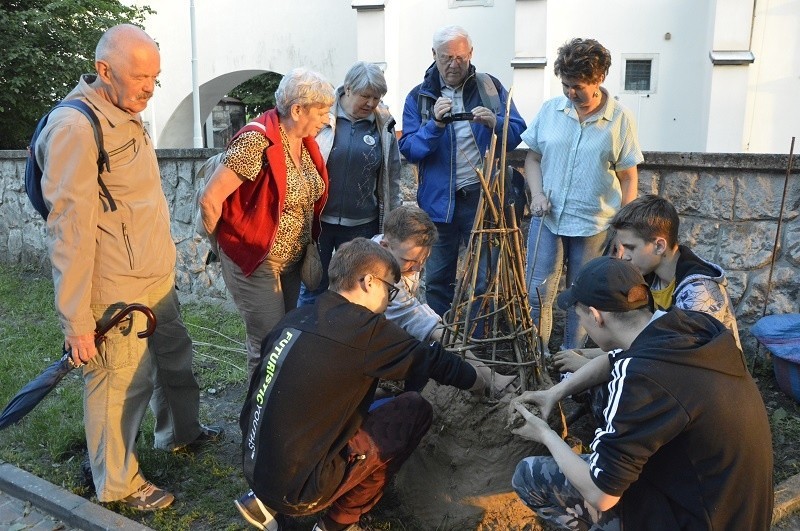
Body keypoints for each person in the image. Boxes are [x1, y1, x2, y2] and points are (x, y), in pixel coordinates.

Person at [35, 24, 220, 511]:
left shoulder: (124, 110)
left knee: (175, 361)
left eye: (155, 78)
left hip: (154, 280)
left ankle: (180, 433)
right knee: (120, 384)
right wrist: (76, 321)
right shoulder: (76, 128)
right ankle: (116, 482)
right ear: (104, 71)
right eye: (141, 77)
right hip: (114, 289)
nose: (149, 88)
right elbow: (68, 231)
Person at [234, 238, 487, 531]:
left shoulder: (296, 318)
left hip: (256, 466)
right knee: (413, 410)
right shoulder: (365, 330)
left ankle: (265, 501)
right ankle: (337, 523)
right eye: (390, 290)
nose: (388, 301)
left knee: (376, 402)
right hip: (300, 490)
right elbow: (433, 361)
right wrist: (481, 382)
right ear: (369, 281)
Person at [508, 256, 773, 530]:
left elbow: (601, 495)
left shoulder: (642, 378)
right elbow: (614, 358)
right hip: (736, 510)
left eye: (580, 316)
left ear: (596, 316)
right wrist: (556, 392)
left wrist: (545, 433)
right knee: (602, 395)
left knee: (529, 476)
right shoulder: (689, 326)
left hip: (694, 519)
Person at [199, 68, 335, 376]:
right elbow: (209, 200)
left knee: (286, 340)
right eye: (322, 112)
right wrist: (222, 247)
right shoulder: (255, 141)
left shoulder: (303, 141)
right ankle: (258, 421)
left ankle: (279, 409)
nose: (327, 120)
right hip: (256, 261)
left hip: (290, 262)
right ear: (298, 109)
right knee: (267, 346)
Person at [522, 38, 643, 354]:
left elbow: (629, 177)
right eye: (565, 85)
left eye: (577, 86)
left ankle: (570, 358)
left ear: (599, 78)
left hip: (594, 224)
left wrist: (623, 232)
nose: (570, 93)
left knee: (583, 294)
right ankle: (538, 355)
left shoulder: (619, 120)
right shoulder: (550, 111)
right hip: (546, 219)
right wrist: (536, 195)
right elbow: (532, 158)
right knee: (537, 290)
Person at [399, 25, 526, 318]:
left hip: (482, 201)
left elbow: (517, 131)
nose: (453, 64)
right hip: (438, 203)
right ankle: (440, 339)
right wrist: (435, 125)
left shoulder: (489, 87)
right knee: (438, 279)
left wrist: (495, 122)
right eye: (446, 57)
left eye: (460, 57)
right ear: (434, 55)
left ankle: (476, 341)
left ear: (470, 54)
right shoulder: (419, 96)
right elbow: (410, 149)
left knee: (484, 279)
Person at [554, 194, 742, 374]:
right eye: (621, 248)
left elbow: (666, 356)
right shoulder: (650, 277)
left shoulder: (699, 293)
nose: (624, 256)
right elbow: (639, 340)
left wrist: (588, 363)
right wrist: (587, 355)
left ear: (659, 246)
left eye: (630, 247)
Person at [372, 205, 517, 393]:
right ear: (385, 246)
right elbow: (427, 324)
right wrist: (488, 373)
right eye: (409, 260)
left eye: (423, 259)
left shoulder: (396, 255)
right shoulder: (379, 277)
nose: (417, 268)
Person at [297, 61, 403, 306]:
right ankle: (308, 337)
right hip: (320, 224)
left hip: (361, 226)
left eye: (376, 98)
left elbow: (392, 177)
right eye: (365, 96)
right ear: (348, 89)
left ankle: (346, 339)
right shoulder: (322, 118)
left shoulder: (383, 126)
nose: (371, 103)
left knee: (356, 291)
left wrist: (390, 220)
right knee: (313, 287)